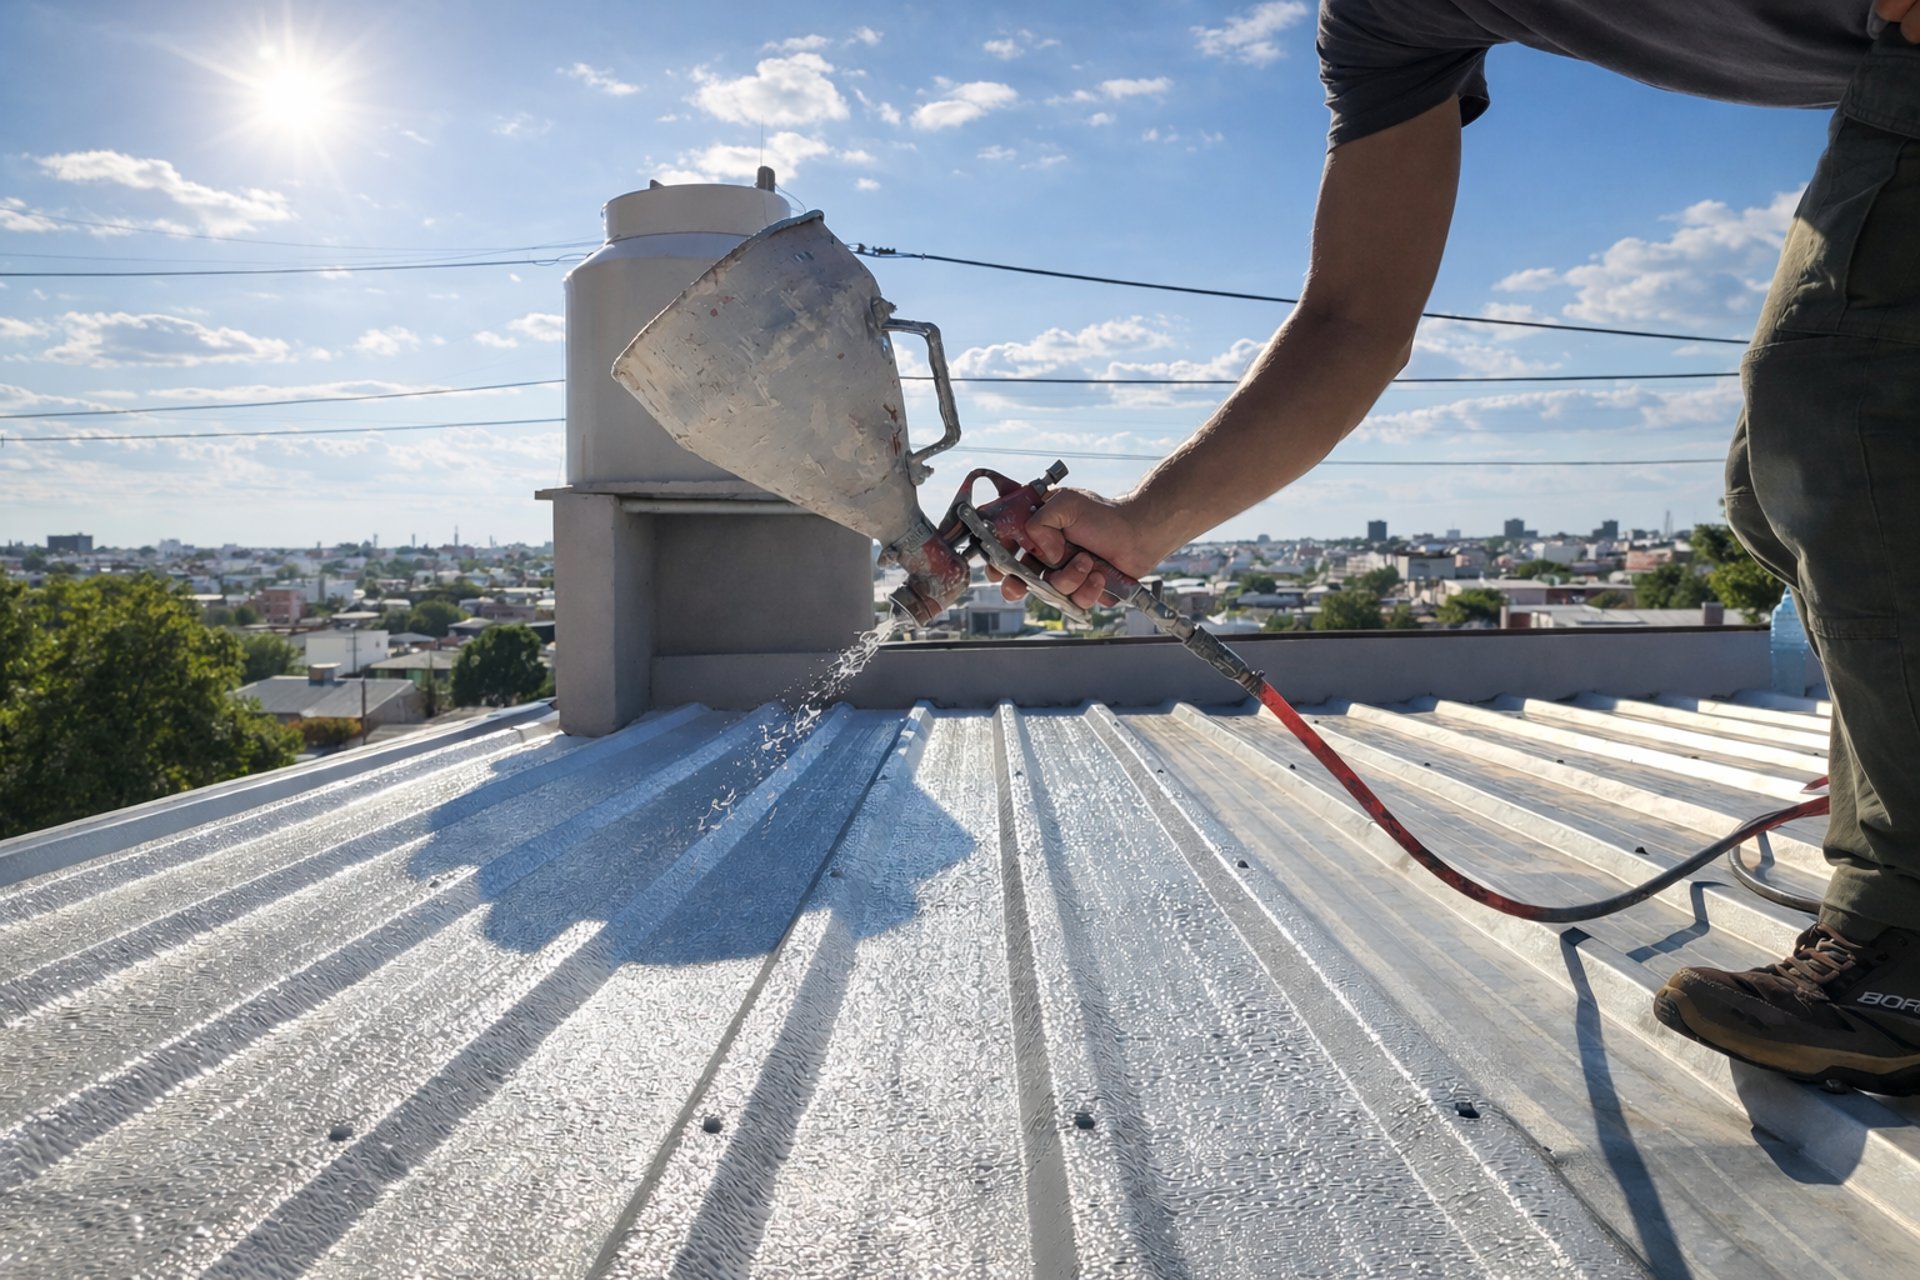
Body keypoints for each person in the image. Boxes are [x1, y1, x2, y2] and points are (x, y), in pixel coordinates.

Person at [999, 1, 1920, 1095]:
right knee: (1790, 480)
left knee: (1839, 418)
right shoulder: (1389, 18)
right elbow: (1353, 320)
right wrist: (1144, 524)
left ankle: (1904, 944)